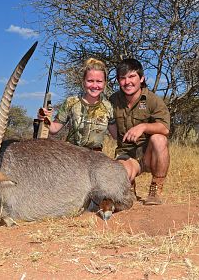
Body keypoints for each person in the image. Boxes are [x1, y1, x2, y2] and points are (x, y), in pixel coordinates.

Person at [110, 58, 170, 205]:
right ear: (118, 80)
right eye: (122, 78)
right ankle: (130, 185)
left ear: (141, 78)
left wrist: (143, 126)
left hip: (148, 154)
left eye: (132, 77)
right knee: (121, 178)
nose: (127, 82)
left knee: (159, 139)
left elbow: (165, 128)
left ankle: (156, 187)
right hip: (126, 154)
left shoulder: (152, 100)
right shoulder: (113, 100)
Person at [38, 58, 117, 151]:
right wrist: (45, 118)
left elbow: (116, 135)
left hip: (97, 159)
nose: (95, 85)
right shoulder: (71, 102)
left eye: (99, 81)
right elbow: (54, 129)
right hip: (72, 155)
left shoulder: (108, 107)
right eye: (90, 81)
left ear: (105, 83)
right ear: (83, 81)